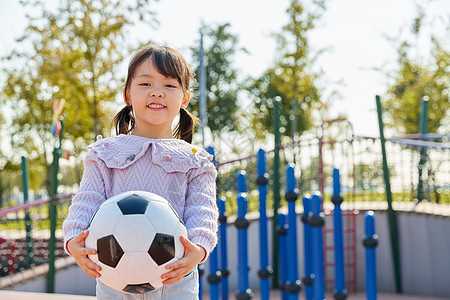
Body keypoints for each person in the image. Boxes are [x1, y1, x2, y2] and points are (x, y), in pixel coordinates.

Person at [63, 45, 218, 299]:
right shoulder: (105, 154)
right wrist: (73, 240)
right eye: (145, 84)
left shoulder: (196, 162)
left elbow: (202, 210)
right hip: (112, 276)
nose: (157, 93)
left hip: (175, 278)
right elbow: (86, 201)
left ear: (184, 98)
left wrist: (198, 249)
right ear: (128, 96)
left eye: (169, 86)